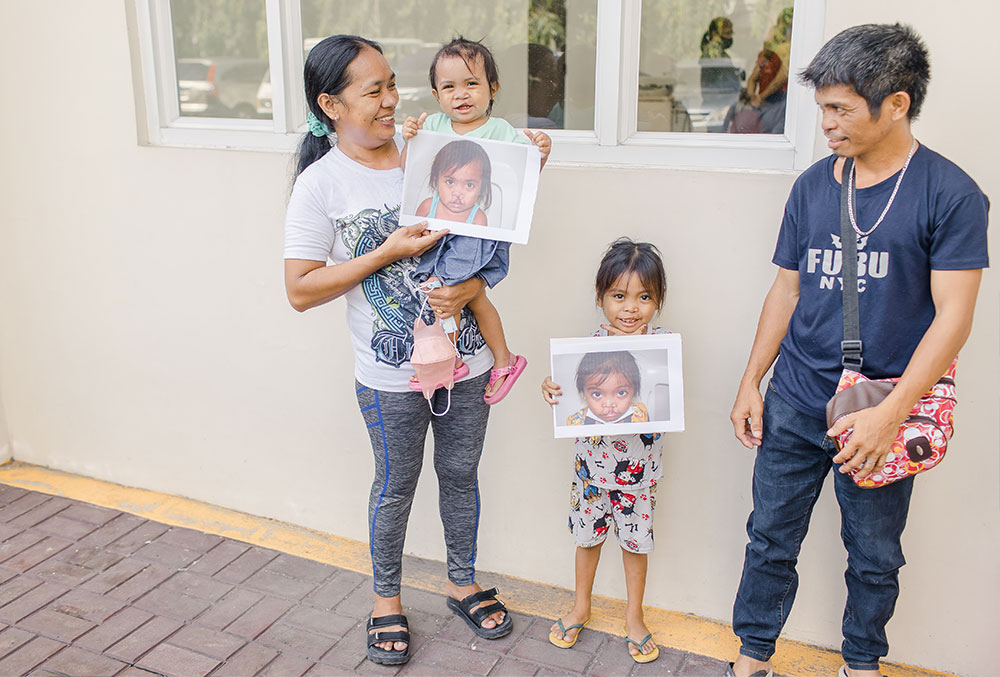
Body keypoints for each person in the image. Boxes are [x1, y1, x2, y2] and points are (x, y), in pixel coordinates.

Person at [727, 24, 989, 677]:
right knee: (768, 539)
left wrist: (891, 413)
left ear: (896, 103)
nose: (826, 124)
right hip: (794, 400)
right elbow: (785, 291)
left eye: (840, 109)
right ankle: (752, 656)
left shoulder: (949, 194)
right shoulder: (814, 186)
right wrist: (750, 381)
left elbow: (955, 319)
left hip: (879, 412)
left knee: (874, 554)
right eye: (822, 109)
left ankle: (861, 663)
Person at [283, 35, 513, 667]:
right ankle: (386, 599)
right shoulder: (320, 184)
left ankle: (462, 583)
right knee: (396, 484)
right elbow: (299, 290)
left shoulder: (432, 148)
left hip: (467, 360)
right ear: (331, 104)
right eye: (373, 89)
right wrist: (387, 252)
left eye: (392, 84)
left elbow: (495, 221)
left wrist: (475, 285)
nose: (391, 100)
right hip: (390, 374)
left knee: (461, 474)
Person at [403, 37, 551, 405]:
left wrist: (540, 155)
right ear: (436, 94)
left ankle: (454, 361)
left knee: (449, 287)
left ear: (492, 89)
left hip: (479, 231)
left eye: (472, 83)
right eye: (449, 87)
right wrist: (409, 139)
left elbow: (521, 180)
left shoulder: (501, 131)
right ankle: (502, 360)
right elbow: (409, 170)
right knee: (461, 295)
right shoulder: (433, 125)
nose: (461, 94)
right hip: (442, 231)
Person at [541, 238, 669, 664]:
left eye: (644, 297)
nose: (630, 308)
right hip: (591, 473)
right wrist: (551, 386)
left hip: (640, 475)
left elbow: (667, 400)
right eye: (619, 296)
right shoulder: (587, 346)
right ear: (601, 298)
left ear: (658, 301)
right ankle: (582, 606)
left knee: (636, 545)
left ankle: (634, 616)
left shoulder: (664, 348)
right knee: (587, 539)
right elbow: (572, 391)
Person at [416, 139, 492, 226]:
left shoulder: (478, 219)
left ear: (481, 189)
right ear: (437, 180)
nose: (457, 193)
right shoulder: (427, 207)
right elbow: (411, 234)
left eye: (469, 185)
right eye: (450, 182)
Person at [741, 7, 793, 134]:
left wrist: (755, 97)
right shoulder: (776, 52)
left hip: (774, 101)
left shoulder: (780, 52)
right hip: (770, 101)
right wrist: (754, 97)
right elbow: (755, 78)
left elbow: (778, 79)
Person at [567, 351, 650, 425]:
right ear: (584, 394)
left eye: (621, 393)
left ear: (633, 391)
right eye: (597, 394)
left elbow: (652, 440)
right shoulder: (576, 423)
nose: (609, 404)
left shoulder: (640, 414)